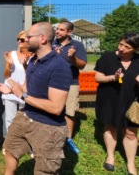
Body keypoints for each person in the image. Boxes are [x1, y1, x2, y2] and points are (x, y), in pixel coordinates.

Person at [0, 22, 72, 174]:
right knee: (10, 149)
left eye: (29, 37)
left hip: (49, 127)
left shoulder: (59, 67)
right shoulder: (33, 61)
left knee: (44, 169)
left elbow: (56, 108)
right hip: (26, 116)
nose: (26, 40)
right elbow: (26, 87)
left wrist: (22, 95)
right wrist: (9, 90)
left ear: (42, 38)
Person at [94, 32, 139, 175]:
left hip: (133, 101)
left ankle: (131, 164)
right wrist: (113, 77)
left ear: (136, 49)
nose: (121, 48)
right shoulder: (107, 57)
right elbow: (98, 78)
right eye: (121, 44)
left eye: (127, 47)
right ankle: (110, 156)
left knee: (131, 133)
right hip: (110, 99)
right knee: (110, 127)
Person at [53, 21, 87, 154]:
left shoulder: (77, 45)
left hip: (71, 83)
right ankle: (53, 137)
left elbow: (82, 65)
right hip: (53, 83)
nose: (57, 31)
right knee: (52, 110)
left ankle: (68, 139)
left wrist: (73, 58)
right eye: (57, 29)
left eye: (61, 30)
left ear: (69, 32)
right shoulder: (51, 43)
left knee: (69, 112)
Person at [2, 30, 31, 131]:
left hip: (25, 91)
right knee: (10, 119)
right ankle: (10, 145)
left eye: (22, 39)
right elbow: (6, 75)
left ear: (29, 40)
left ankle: (23, 144)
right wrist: (9, 64)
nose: (19, 41)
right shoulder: (12, 54)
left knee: (25, 119)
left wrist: (26, 65)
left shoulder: (34, 56)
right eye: (17, 39)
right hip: (10, 89)